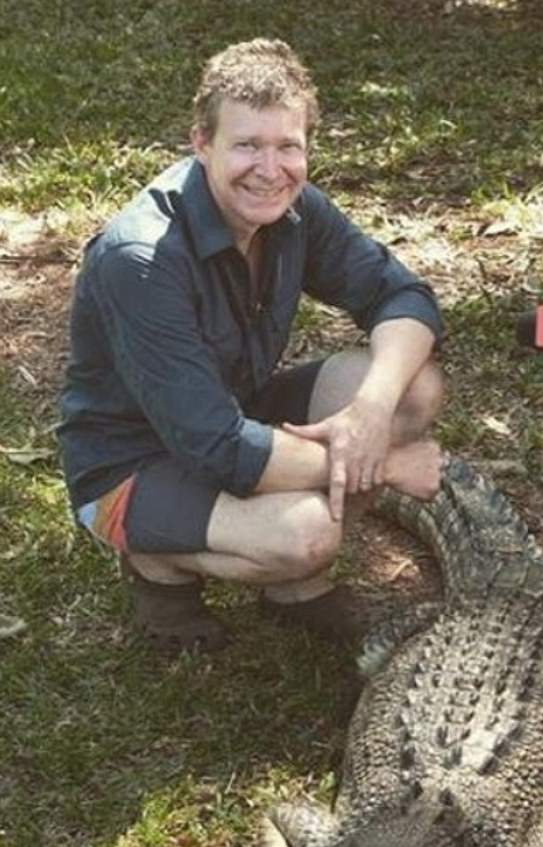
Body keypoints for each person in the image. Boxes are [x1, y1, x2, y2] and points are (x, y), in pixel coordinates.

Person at [58, 38, 445, 655]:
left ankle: (290, 589)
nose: (270, 169)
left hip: (231, 413)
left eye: (287, 146)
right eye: (246, 145)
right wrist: (386, 464)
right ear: (201, 144)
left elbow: (405, 298)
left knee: (411, 387)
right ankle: (160, 569)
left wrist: (371, 411)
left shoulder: (293, 212)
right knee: (307, 534)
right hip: (129, 464)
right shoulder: (142, 258)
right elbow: (214, 444)